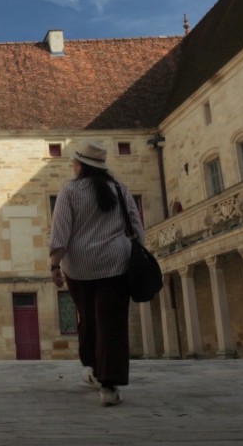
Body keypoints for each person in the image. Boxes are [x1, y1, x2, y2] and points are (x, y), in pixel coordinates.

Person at [48, 141, 143, 407]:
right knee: (111, 325)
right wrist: (139, 255)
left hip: (79, 268)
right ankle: (108, 385)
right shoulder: (119, 189)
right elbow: (136, 225)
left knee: (88, 319)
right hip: (115, 264)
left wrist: (55, 266)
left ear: (80, 166)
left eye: (74, 162)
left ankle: (92, 367)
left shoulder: (69, 191)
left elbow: (60, 233)